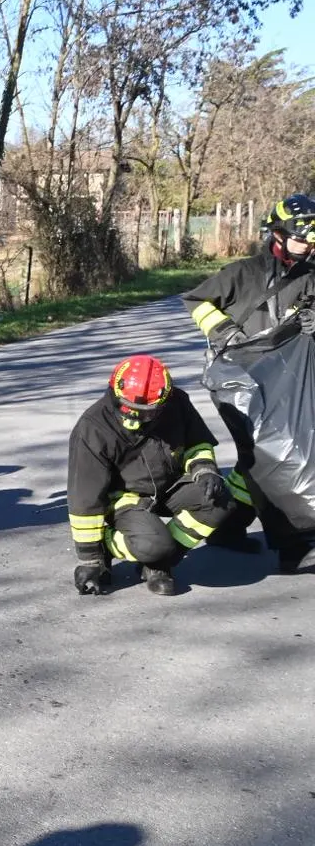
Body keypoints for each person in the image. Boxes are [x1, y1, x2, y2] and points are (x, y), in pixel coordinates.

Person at [181, 192, 315, 573]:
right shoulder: (245, 274)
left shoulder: (312, 275)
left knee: (260, 459)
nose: (310, 247)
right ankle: (292, 545)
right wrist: (222, 329)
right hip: (237, 383)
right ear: (278, 234)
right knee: (268, 454)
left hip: (285, 384)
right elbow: (197, 300)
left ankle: (226, 526)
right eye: (303, 238)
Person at [67, 355, 237, 596]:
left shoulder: (177, 402)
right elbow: (84, 498)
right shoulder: (93, 428)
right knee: (154, 545)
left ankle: (158, 565)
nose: (134, 418)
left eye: (145, 413)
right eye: (128, 409)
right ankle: (112, 544)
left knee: (220, 500)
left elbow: (197, 443)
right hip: (124, 498)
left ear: (164, 401)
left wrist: (205, 470)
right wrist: (91, 560)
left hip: (169, 486)